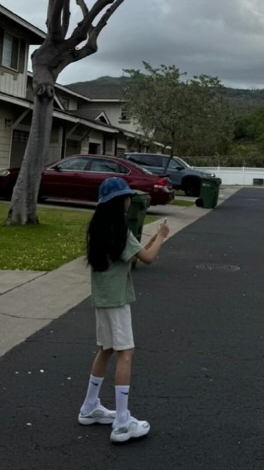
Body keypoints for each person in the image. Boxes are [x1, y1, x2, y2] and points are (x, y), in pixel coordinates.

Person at [78, 176, 170, 443]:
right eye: (127, 197)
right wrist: (162, 237)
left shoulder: (98, 228)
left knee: (106, 349)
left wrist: (151, 239)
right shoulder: (120, 230)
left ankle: (89, 407)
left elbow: (136, 253)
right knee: (125, 354)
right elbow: (149, 259)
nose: (130, 201)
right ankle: (121, 422)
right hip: (117, 300)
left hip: (102, 299)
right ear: (120, 202)